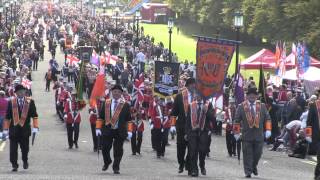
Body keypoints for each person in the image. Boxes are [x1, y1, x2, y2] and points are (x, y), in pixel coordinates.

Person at [233, 87, 272, 178]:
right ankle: (248, 171)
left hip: (259, 136)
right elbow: (236, 120)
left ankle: (253, 166)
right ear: (247, 96)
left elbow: (268, 119)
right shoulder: (241, 106)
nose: (252, 96)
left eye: (254, 95)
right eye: (250, 95)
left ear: (257, 96)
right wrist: (236, 132)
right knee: (247, 154)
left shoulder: (262, 106)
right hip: (247, 135)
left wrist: (268, 129)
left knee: (258, 154)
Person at [95, 84, 132, 174]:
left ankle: (116, 167)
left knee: (118, 149)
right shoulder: (106, 103)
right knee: (105, 148)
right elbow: (101, 117)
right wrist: (98, 128)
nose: (116, 93)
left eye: (118, 92)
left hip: (120, 131)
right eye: (115, 92)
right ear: (112, 92)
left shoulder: (126, 105)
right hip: (108, 129)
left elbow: (129, 120)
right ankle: (107, 162)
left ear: (121, 94)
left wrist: (130, 130)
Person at [2, 84, 39, 172]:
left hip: (25, 131)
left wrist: (35, 127)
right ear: (16, 93)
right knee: (13, 151)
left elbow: (35, 116)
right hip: (13, 131)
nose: (21, 93)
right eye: (19, 92)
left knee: (25, 149)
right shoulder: (11, 102)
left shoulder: (30, 102)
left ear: (25, 92)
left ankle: (25, 160)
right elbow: (7, 117)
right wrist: (5, 130)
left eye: (23, 91)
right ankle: (14, 165)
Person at [170, 78, 196, 174]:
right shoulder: (179, 96)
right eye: (192, 84)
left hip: (193, 127)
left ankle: (189, 166)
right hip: (181, 126)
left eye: (194, 84)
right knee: (180, 148)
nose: (194, 86)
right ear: (188, 85)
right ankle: (181, 163)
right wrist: (172, 125)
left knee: (192, 148)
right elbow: (174, 112)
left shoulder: (197, 96)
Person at [185, 94, 213, 177]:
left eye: (200, 94)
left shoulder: (208, 104)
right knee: (193, 150)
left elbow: (212, 117)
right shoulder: (191, 105)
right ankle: (194, 169)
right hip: (193, 131)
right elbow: (188, 120)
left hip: (203, 131)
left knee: (202, 150)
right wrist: (186, 132)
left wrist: (206, 111)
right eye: (196, 94)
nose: (198, 96)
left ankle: (202, 165)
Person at [306, 90, 320, 179]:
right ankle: (317, 175)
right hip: (317, 136)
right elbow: (309, 121)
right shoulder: (314, 105)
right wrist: (308, 134)